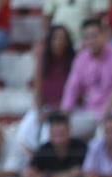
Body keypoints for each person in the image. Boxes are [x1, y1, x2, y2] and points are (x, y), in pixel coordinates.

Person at [61, 17, 112, 140]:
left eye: (94, 36)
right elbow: (72, 88)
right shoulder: (82, 58)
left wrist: (106, 113)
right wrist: (64, 115)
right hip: (91, 112)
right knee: (59, 132)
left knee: (105, 134)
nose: (91, 41)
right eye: (86, 37)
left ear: (104, 35)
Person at [17, 24, 75, 153]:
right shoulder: (43, 61)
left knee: (47, 134)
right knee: (24, 133)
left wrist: (54, 111)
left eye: (62, 38)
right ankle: (32, 162)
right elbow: (38, 90)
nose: (59, 42)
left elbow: (74, 94)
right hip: (44, 107)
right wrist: (39, 112)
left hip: (64, 109)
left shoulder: (73, 63)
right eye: (56, 38)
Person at [25, 111, 88, 177]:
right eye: (54, 135)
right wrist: (67, 175)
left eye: (62, 134)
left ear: (69, 131)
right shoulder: (44, 150)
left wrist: (48, 176)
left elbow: (86, 173)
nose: (58, 140)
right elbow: (31, 173)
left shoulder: (81, 147)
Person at [42, 0, 108, 49]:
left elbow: (99, 15)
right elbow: (47, 15)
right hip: (59, 41)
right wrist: (49, 37)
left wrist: (90, 39)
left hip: (82, 40)